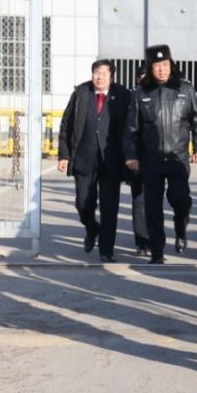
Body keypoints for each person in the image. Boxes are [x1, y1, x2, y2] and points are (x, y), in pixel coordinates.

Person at [125, 44, 197, 264]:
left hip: (177, 157)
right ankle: (157, 252)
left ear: (171, 65)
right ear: (150, 68)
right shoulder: (140, 93)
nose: (161, 70)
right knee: (152, 208)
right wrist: (131, 156)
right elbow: (131, 129)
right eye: (156, 66)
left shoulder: (185, 89)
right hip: (150, 159)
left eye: (165, 65)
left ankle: (181, 229)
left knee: (180, 200)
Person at [57, 59, 132, 262]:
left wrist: (131, 156)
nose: (99, 77)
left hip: (112, 162)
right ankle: (92, 229)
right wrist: (64, 154)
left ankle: (106, 250)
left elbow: (131, 128)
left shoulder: (123, 96)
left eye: (104, 74)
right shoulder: (81, 94)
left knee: (110, 208)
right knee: (83, 204)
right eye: (96, 73)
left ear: (112, 76)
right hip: (84, 159)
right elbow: (66, 124)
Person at [128, 65, 151, 256]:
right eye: (141, 77)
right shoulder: (131, 97)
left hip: (159, 157)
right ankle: (143, 242)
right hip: (137, 157)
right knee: (140, 201)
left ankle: (155, 239)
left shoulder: (164, 95)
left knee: (156, 200)